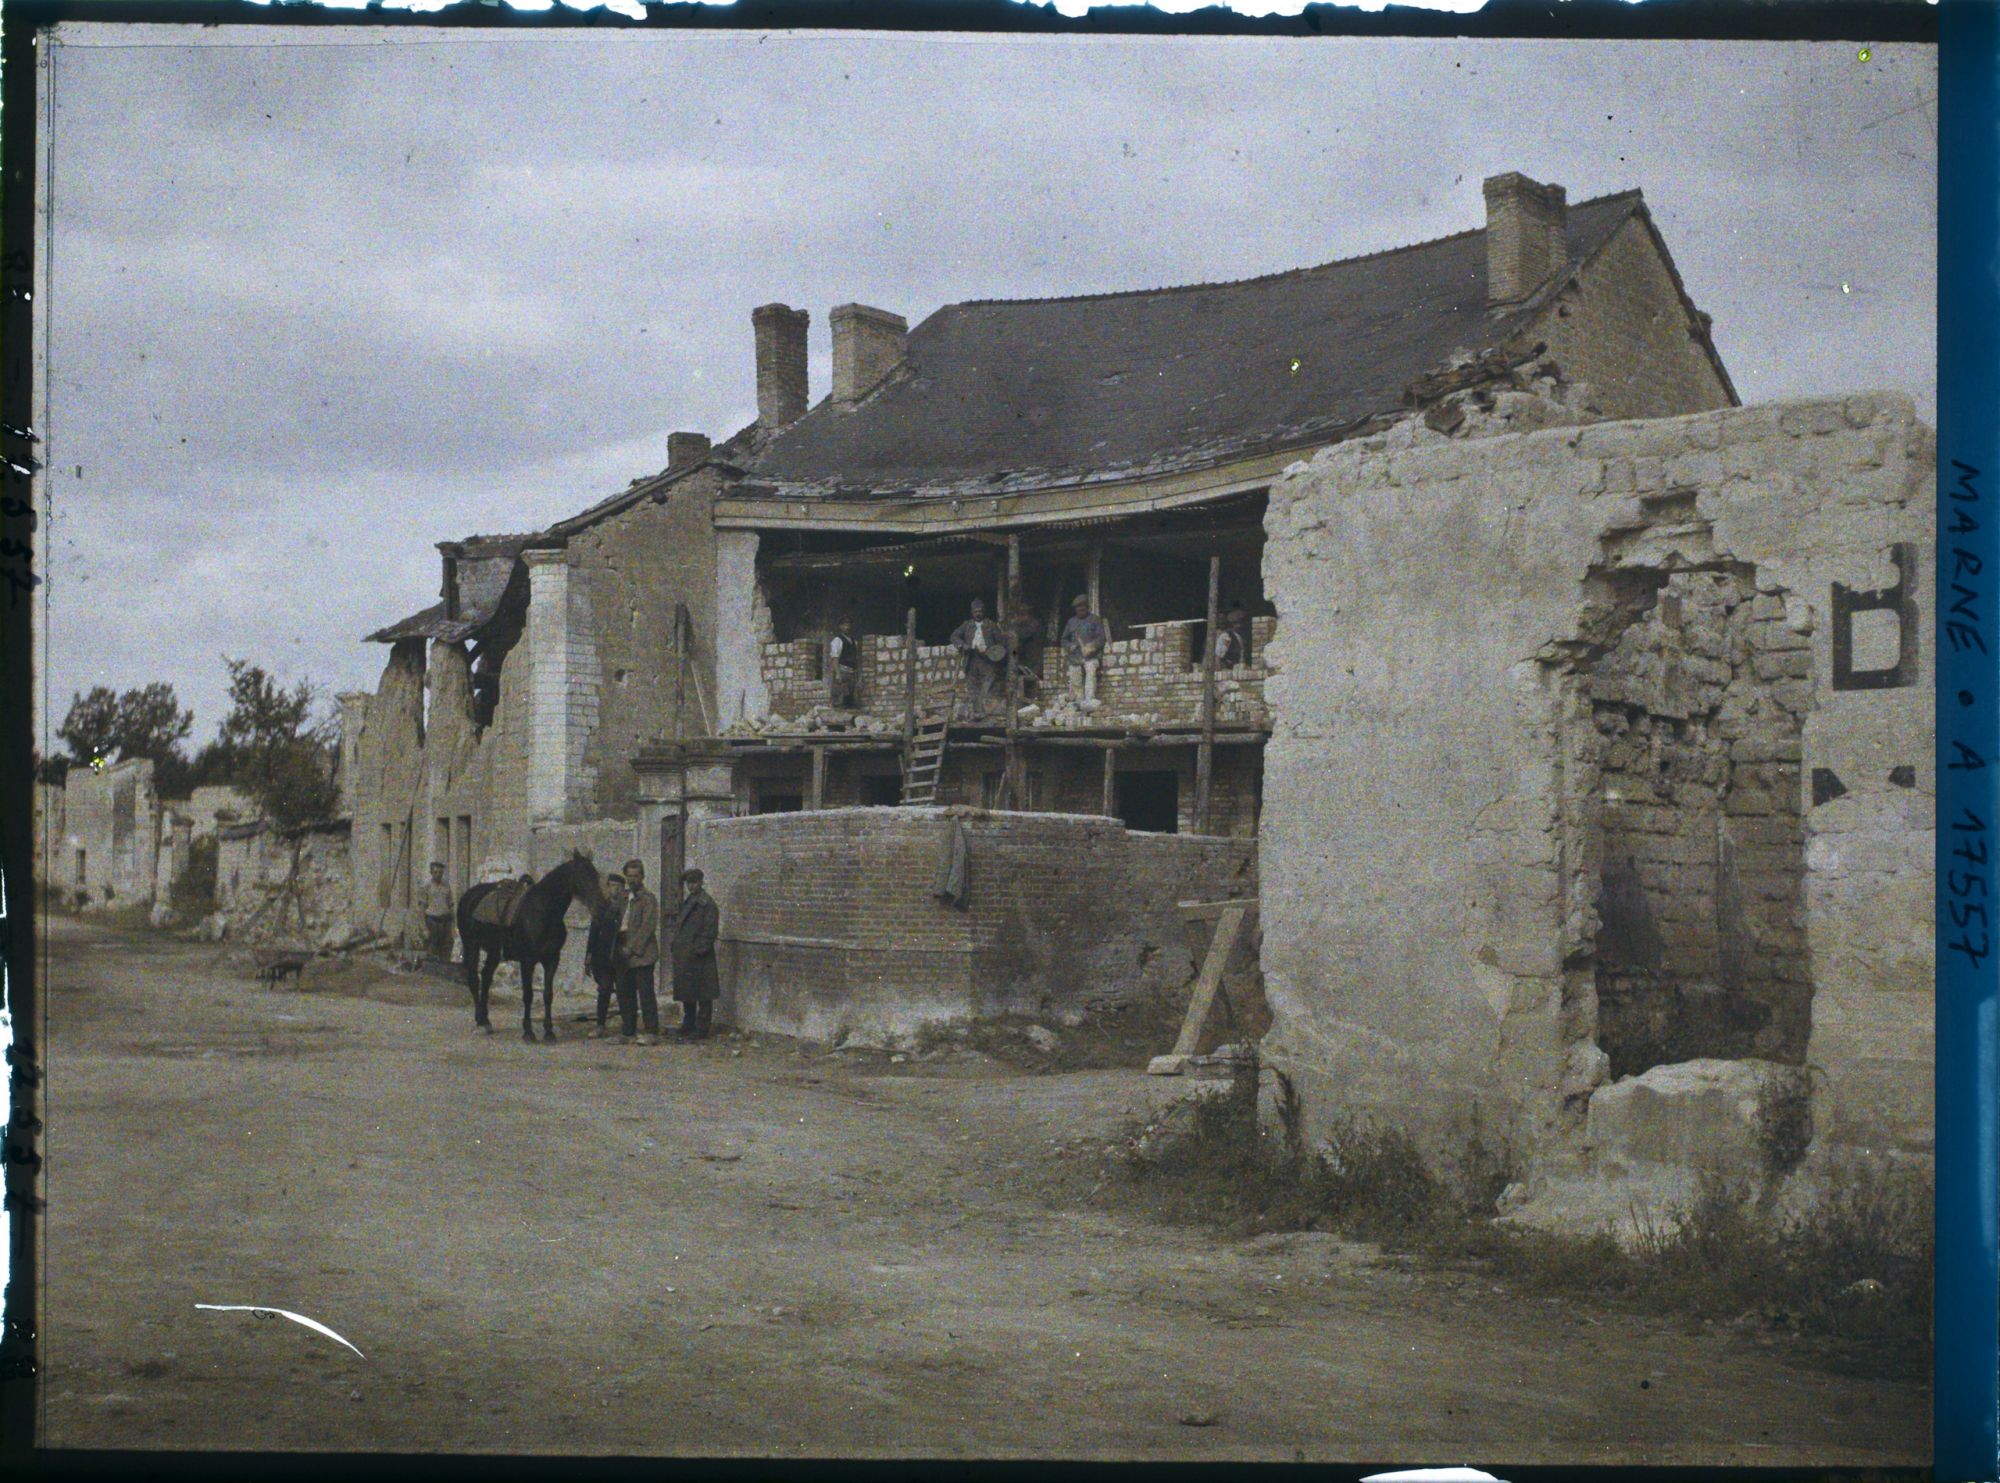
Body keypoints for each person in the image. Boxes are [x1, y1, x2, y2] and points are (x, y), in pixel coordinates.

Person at [670, 867, 721, 1040]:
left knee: (704, 994)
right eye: (689, 883)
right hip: (686, 956)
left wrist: (697, 950)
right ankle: (688, 1024)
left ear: (701, 882)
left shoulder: (707, 904)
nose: (691, 887)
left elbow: (710, 931)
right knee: (688, 993)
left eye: (695, 883)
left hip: (700, 957)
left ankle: (702, 1028)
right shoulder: (689, 901)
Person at [615, 858, 662, 1045]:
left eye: (636, 876)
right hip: (623, 952)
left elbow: (647, 928)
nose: (632, 879)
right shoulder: (624, 898)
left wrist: (631, 948)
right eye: (629, 876)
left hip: (642, 954)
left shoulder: (648, 899)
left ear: (642, 877)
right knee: (625, 994)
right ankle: (628, 1031)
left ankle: (651, 1032)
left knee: (645, 994)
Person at [585, 871, 628, 1040]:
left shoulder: (626, 906)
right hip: (602, 956)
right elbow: (593, 933)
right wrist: (589, 956)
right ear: (608, 888)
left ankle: (627, 1026)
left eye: (618, 887)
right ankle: (600, 1025)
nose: (614, 890)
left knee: (624, 991)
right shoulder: (601, 907)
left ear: (622, 888)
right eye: (611, 886)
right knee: (603, 990)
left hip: (620, 955)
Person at [950, 598, 1007, 715]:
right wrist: (962, 645)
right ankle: (976, 712)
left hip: (987, 661)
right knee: (973, 686)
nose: (978, 614)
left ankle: (987, 712)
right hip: (971, 659)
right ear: (972, 612)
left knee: (988, 685)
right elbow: (954, 636)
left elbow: (1001, 644)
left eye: (980, 611)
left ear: (984, 612)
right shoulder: (967, 625)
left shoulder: (991, 625)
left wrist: (992, 652)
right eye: (976, 611)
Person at [1060, 595, 1109, 704]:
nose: (1081, 609)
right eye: (1078, 608)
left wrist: (1091, 647)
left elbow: (1101, 638)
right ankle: (1079, 702)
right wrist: (1069, 646)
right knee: (1075, 680)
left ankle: (1089, 701)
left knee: (1090, 675)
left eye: (1083, 607)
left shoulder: (1095, 620)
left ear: (1088, 607)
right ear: (1075, 609)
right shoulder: (1071, 622)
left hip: (1091, 657)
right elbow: (1063, 639)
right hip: (1075, 657)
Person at [419, 861, 456, 962]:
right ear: (431, 872)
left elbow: (451, 905)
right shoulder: (426, 886)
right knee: (432, 947)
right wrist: (424, 928)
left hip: (445, 921)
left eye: (440, 872)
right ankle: (431, 972)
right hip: (432, 920)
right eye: (435, 872)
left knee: (447, 947)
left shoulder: (446, 885)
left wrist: (453, 927)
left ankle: (444, 970)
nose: (438, 875)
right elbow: (422, 908)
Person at [827, 613, 861, 710]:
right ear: (840, 627)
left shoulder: (854, 642)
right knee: (839, 697)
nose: (847, 627)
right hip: (842, 671)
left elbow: (856, 658)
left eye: (849, 624)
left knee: (849, 699)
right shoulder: (837, 640)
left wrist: (857, 674)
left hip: (851, 673)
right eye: (844, 625)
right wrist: (838, 674)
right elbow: (835, 658)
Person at [1214, 603, 1252, 667]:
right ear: (1232, 624)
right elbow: (1218, 656)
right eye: (1236, 623)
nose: (1239, 626)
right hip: (1225, 668)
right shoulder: (1225, 636)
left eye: (1240, 623)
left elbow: (1241, 656)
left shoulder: (1238, 637)